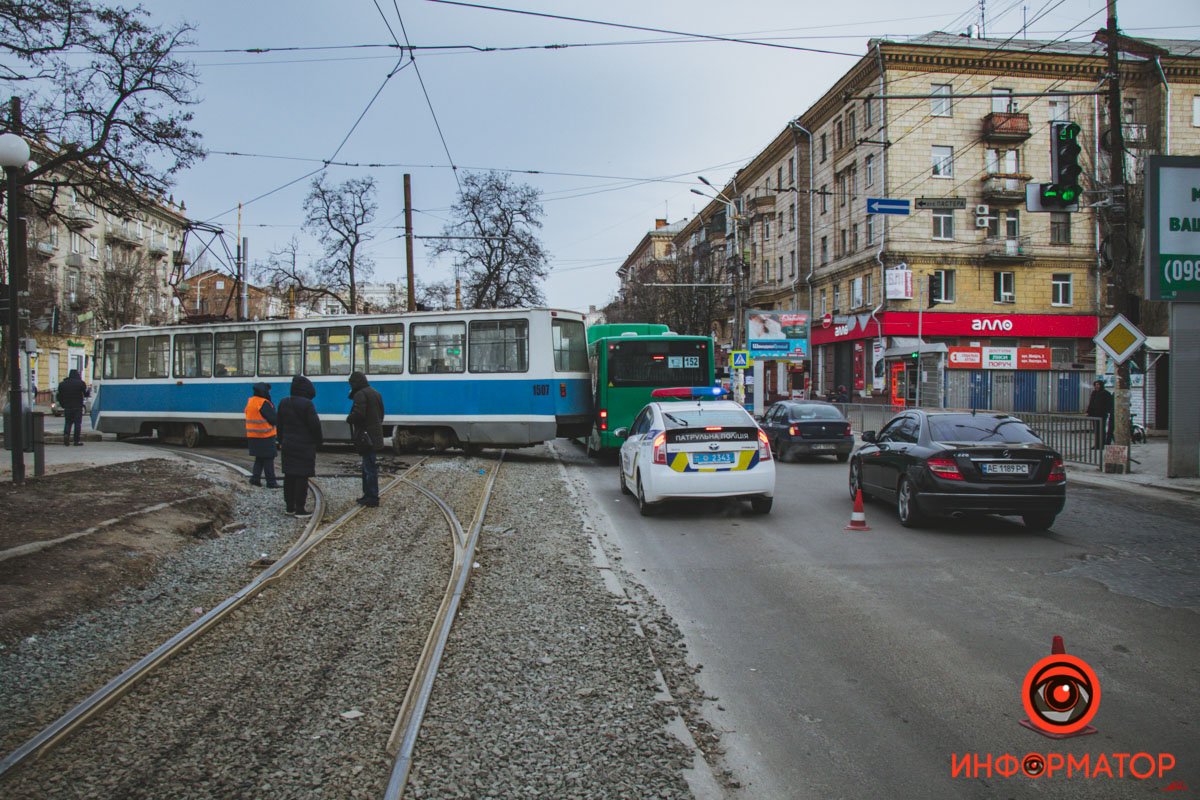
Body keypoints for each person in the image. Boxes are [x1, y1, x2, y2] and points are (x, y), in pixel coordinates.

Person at [276, 375, 323, 518]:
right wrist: (319, 441)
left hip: (288, 444)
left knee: (289, 476)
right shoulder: (307, 404)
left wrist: (281, 440)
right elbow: (315, 425)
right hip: (304, 446)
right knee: (301, 477)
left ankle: (289, 507)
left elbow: (279, 424)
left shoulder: (284, 402)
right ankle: (300, 508)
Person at [347, 371, 385, 508]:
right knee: (369, 465)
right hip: (374, 434)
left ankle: (372, 497)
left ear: (355, 383)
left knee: (368, 468)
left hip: (365, 436)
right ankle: (368, 494)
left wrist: (349, 418)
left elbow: (359, 414)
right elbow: (381, 414)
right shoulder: (375, 393)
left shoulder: (360, 394)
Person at [244, 382, 280, 489]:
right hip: (266, 435)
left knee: (259, 458)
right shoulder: (263, 403)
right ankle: (271, 482)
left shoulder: (251, 401)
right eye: (268, 391)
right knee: (268, 459)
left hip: (253, 436)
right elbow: (273, 419)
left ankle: (255, 479)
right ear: (264, 391)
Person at [56, 368, 90, 446]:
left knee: (68, 423)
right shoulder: (81, 383)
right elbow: (86, 394)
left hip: (67, 407)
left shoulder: (62, 384)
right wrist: (88, 391)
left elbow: (59, 396)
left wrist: (63, 404)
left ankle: (66, 436)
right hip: (78, 407)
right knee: (77, 424)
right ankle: (76, 441)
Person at [1086, 378, 1115, 449]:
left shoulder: (1106, 393)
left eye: (1098, 385)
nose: (1097, 386)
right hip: (1094, 414)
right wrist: (1089, 412)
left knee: (1101, 430)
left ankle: (1102, 444)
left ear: (1101, 385)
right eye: (1095, 385)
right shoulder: (1094, 393)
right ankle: (1097, 444)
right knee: (1096, 430)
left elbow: (1109, 404)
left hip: (1102, 415)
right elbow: (1091, 403)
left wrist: (1106, 411)